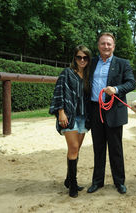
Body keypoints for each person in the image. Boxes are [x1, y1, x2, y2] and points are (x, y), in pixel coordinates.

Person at [85, 32, 136, 194]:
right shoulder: (91, 63)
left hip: (113, 110)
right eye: (103, 43)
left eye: (109, 44)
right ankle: (97, 182)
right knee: (98, 148)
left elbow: (131, 83)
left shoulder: (123, 63)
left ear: (113, 46)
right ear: (98, 46)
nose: (106, 46)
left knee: (115, 149)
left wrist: (116, 89)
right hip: (95, 110)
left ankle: (119, 182)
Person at [49, 45, 91, 198]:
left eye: (85, 57)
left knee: (76, 150)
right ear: (75, 58)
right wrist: (61, 112)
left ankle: (68, 179)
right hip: (69, 116)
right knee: (73, 148)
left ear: (88, 59)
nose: (82, 60)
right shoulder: (67, 73)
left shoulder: (87, 76)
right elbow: (58, 91)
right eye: (79, 57)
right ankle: (73, 184)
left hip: (83, 117)